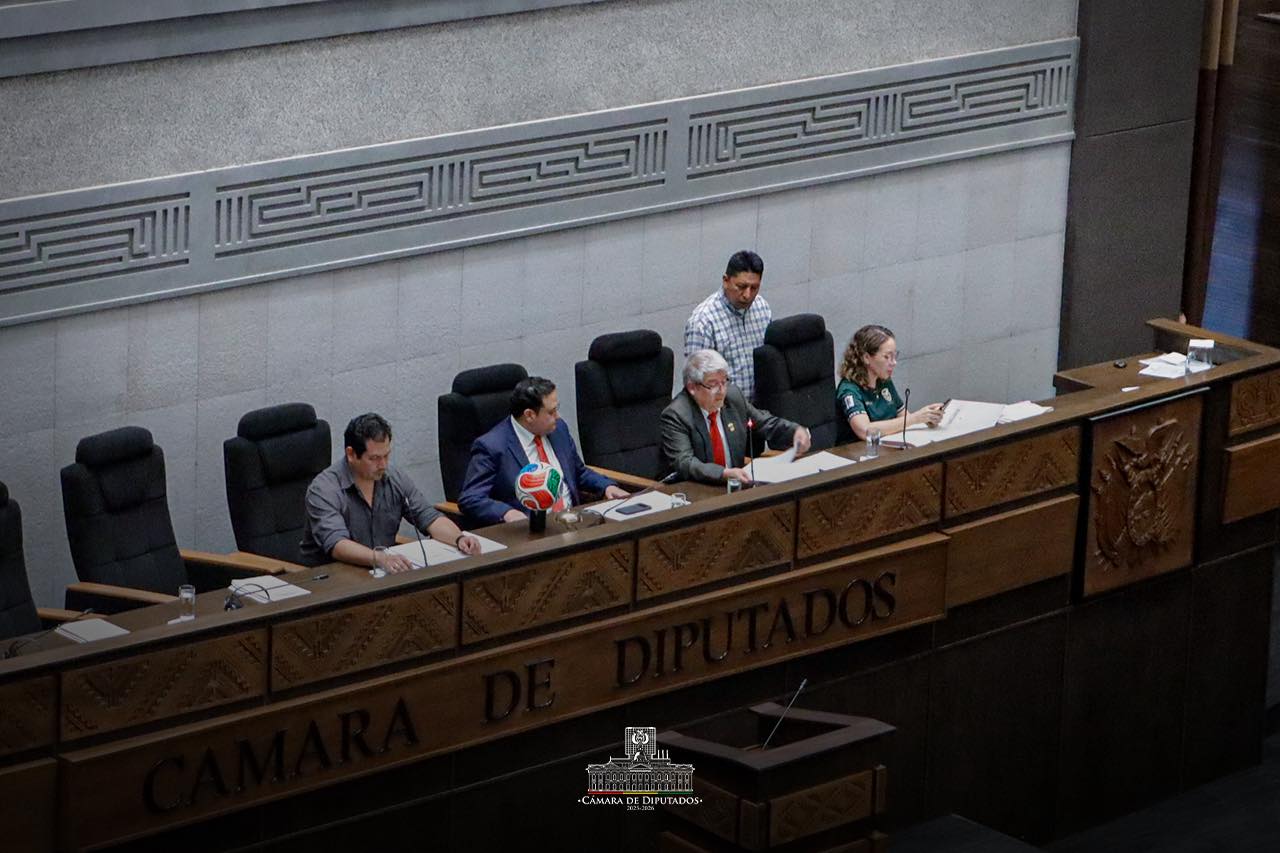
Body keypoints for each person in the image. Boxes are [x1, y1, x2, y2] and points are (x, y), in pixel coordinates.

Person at [300, 413, 479, 572]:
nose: (383, 465)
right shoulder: (324, 489)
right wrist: (380, 558)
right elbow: (337, 544)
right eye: (375, 458)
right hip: (333, 579)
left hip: (381, 574)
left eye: (386, 455)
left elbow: (427, 516)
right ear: (351, 454)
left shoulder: (393, 477)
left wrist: (459, 539)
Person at [459, 376, 629, 527]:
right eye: (551, 412)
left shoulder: (558, 429)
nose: (558, 416)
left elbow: (578, 471)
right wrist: (507, 513)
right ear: (530, 415)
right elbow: (471, 498)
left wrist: (606, 486)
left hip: (574, 522)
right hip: (532, 533)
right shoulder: (492, 446)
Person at [661, 349, 811, 485]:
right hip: (699, 491)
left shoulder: (733, 397)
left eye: (724, 381)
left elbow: (765, 423)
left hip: (738, 486)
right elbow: (685, 463)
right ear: (692, 387)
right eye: (713, 384)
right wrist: (724, 474)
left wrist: (795, 431)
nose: (721, 391)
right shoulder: (676, 415)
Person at [684, 250, 771, 401]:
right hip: (723, 412)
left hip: (759, 410)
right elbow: (696, 384)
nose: (747, 295)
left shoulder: (762, 308)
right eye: (741, 286)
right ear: (725, 280)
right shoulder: (703, 322)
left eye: (754, 288)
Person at [836, 324, 944, 440]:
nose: (894, 363)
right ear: (866, 358)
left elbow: (905, 419)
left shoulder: (884, 381)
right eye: (887, 357)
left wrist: (927, 418)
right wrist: (916, 418)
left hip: (889, 446)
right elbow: (865, 431)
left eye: (894, 356)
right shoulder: (849, 389)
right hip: (860, 452)